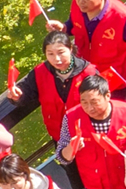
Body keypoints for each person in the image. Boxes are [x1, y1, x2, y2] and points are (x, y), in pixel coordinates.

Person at [6, 32, 98, 165]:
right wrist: (17, 95)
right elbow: (26, 91)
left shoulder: (88, 72)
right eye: (51, 54)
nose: (57, 59)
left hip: (87, 134)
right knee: (72, 174)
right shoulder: (40, 72)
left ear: (70, 49)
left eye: (61, 52)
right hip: (59, 135)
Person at [46, 0, 126, 86]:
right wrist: (64, 28)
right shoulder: (77, 5)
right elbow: (74, 25)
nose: (81, 1)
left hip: (115, 83)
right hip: (84, 75)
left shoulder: (125, 19)